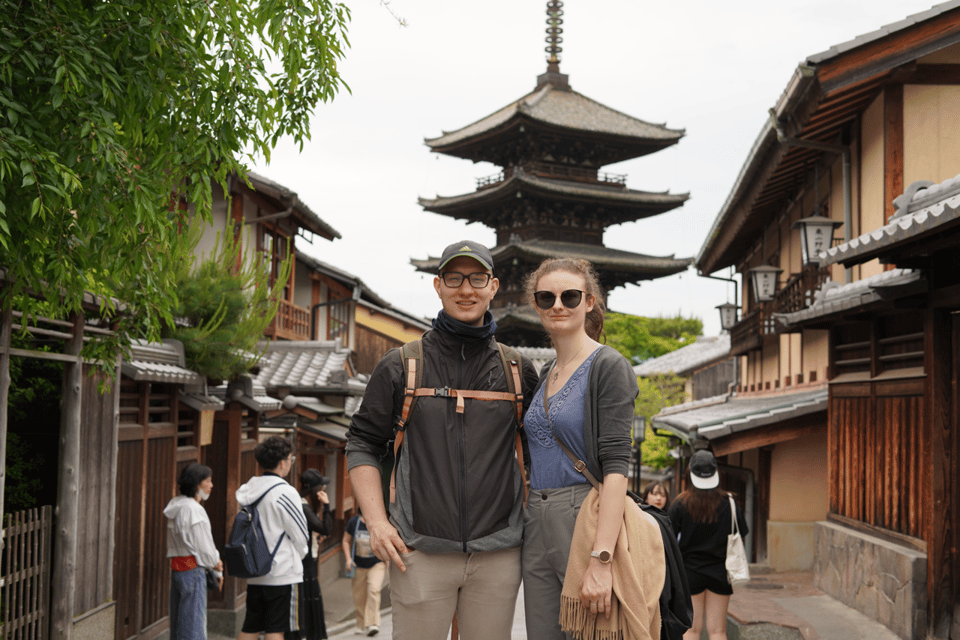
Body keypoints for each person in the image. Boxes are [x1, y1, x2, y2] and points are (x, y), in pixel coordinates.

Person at [345, 240, 539, 640]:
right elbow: (362, 442)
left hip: (499, 552)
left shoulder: (518, 369)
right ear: (438, 285)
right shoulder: (402, 365)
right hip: (419, 550)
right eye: (454, 278)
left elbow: (541, 451)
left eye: (476, 278)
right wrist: (378, 523)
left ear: (493, 286)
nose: (465, 289)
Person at [519, 257, 644, 640]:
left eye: (570, 296)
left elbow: (616, 469)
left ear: (589, 302)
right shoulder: (546, 373)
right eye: (547, 297)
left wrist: (602, 559)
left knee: (592, 632)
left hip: (584, 517)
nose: (558, 305)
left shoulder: (608, 366)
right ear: (536, 304)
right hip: (535, 519)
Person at [668, 450, 749, 640]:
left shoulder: (679, 504)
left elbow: (669, 540)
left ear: (690, 474)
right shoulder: (730, 503)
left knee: (691, 630)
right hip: (720, 572)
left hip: (689, 573)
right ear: (715, 474)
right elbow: (741, 534)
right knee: (718, 631)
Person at [236, 436, 309, 640]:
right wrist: (302, 555)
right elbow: (300, 533)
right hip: (282, 570)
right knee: (276, 628)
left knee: (251, 626)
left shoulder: (248, 490)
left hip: (255, 569)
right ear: (283, 462)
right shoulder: (285, 491)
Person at [164, 463, 223, 640]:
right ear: (197, 484)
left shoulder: (176, 505)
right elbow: (204, 546)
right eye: (208, 481)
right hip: (193, 570)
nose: (211, 485)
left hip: (179, 568)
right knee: (194, 626)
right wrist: (217, 565)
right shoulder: (193, 509)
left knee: (180, 624)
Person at [286, 470, 334, 640]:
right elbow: (325, 528)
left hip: (303, 560)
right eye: (322, 486)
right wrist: (327, 505)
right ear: (315, 489)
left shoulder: (300, 502)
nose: (324, 489)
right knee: (307, 601)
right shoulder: (303, 505)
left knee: (307, 601)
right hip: (303, 562)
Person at [342, 510, 385, 636]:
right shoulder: (354, 522)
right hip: (358, 565)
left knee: (374, 590)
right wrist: (348, 559)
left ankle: (373, 623)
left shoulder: (379, 523)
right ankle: (360, 623)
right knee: (359, 596)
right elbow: (345, 541)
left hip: (377, 563)